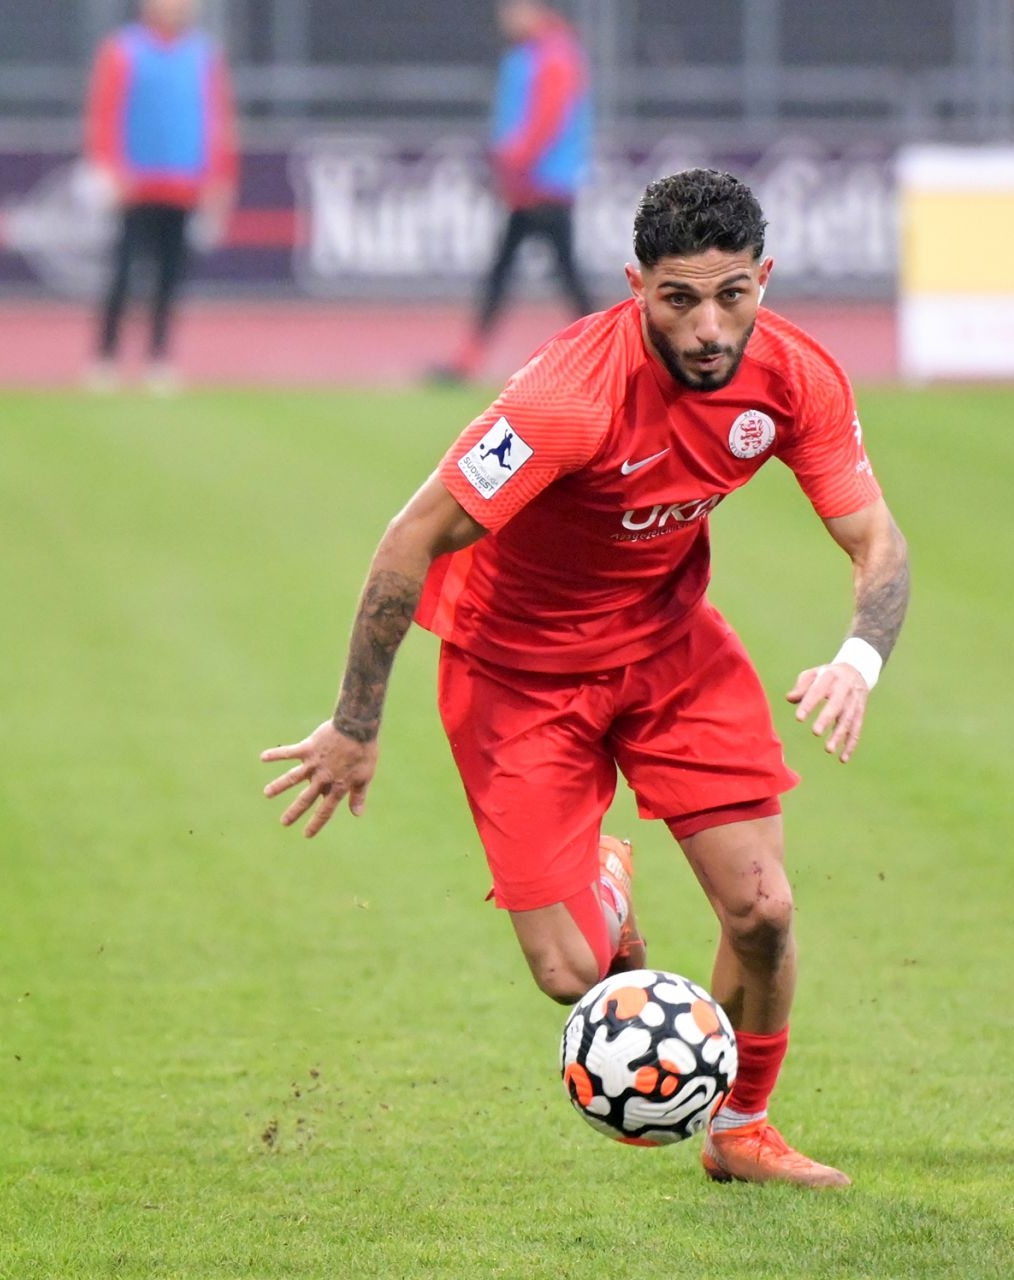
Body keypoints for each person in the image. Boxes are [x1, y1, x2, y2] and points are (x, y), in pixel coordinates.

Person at [263, 169, 910, 1189]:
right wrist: (355, 721)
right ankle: (607, 879)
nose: (709, 327)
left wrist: (857, 660)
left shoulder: (794, 377)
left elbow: (876, 538)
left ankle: (741, 1129)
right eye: (680, 299)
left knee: (763, 910)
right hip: (515, 672)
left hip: (669, 649)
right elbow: (410, 538)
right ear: (635, 285)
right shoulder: (567, 399)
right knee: (571, 971)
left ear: (765, 279)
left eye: (732, 295)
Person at [433, 0, 597, 383]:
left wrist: (512, 163)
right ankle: (469, 358)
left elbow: (544, 121)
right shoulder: (538, 53)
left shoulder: (552, 55)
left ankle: (469, 359)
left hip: (542, 185)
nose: (506, 18)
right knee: (545, 275)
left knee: (546, 275)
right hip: (532, 186)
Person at [83, 0, 239, 395]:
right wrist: (108, 167)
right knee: (124, 272)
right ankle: (106, 356)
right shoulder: (124, 49)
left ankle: (159, 357)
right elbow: (104, 112)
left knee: (171, 277)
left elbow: (217, 119)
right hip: (135, 182)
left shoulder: (203, 54)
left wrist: (220, 176)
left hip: (184, 182)